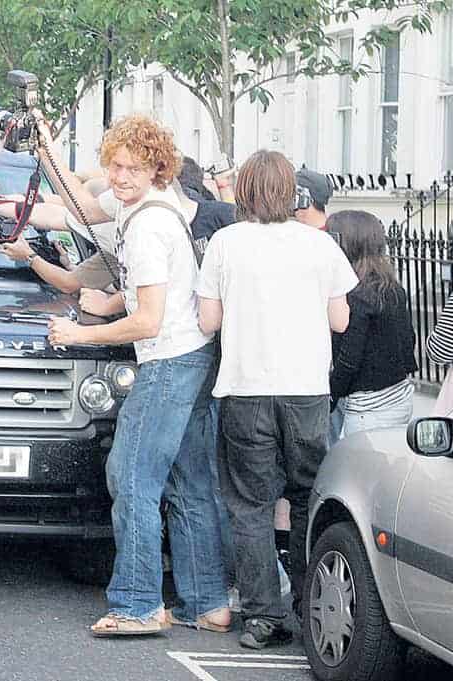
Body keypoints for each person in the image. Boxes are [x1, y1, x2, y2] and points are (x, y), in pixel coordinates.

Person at [43, 115, 229, 637]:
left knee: (130, 479)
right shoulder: (159, 206)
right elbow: (78, 202)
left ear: (156, 169)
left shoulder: (145, 226)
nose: (121, 177)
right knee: (189, 483)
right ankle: (208, 601)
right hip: (196, 356)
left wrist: (79, 335)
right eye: (115, 166)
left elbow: (148, 319)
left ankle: (138, 603)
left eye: (133, 168)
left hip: (167, 362)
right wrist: (43, 136)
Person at [197, 150, 358, 649]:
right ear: (293, 193)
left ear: (242, 190)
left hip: (245, 388)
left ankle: (264, 616)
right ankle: (313, 604)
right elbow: (341, 321)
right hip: (306, 390)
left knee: (250, 507)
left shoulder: (225, 243)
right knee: (310, 497)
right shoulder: (320, 245)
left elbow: (208, 322)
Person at [327, 210, 417, 444]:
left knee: (354, 476)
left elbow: (348, 360)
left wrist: (329, 398)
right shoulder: (391, 288)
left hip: (368, 409)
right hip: (400, 396)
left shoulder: (356, 296)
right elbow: (409, 339)